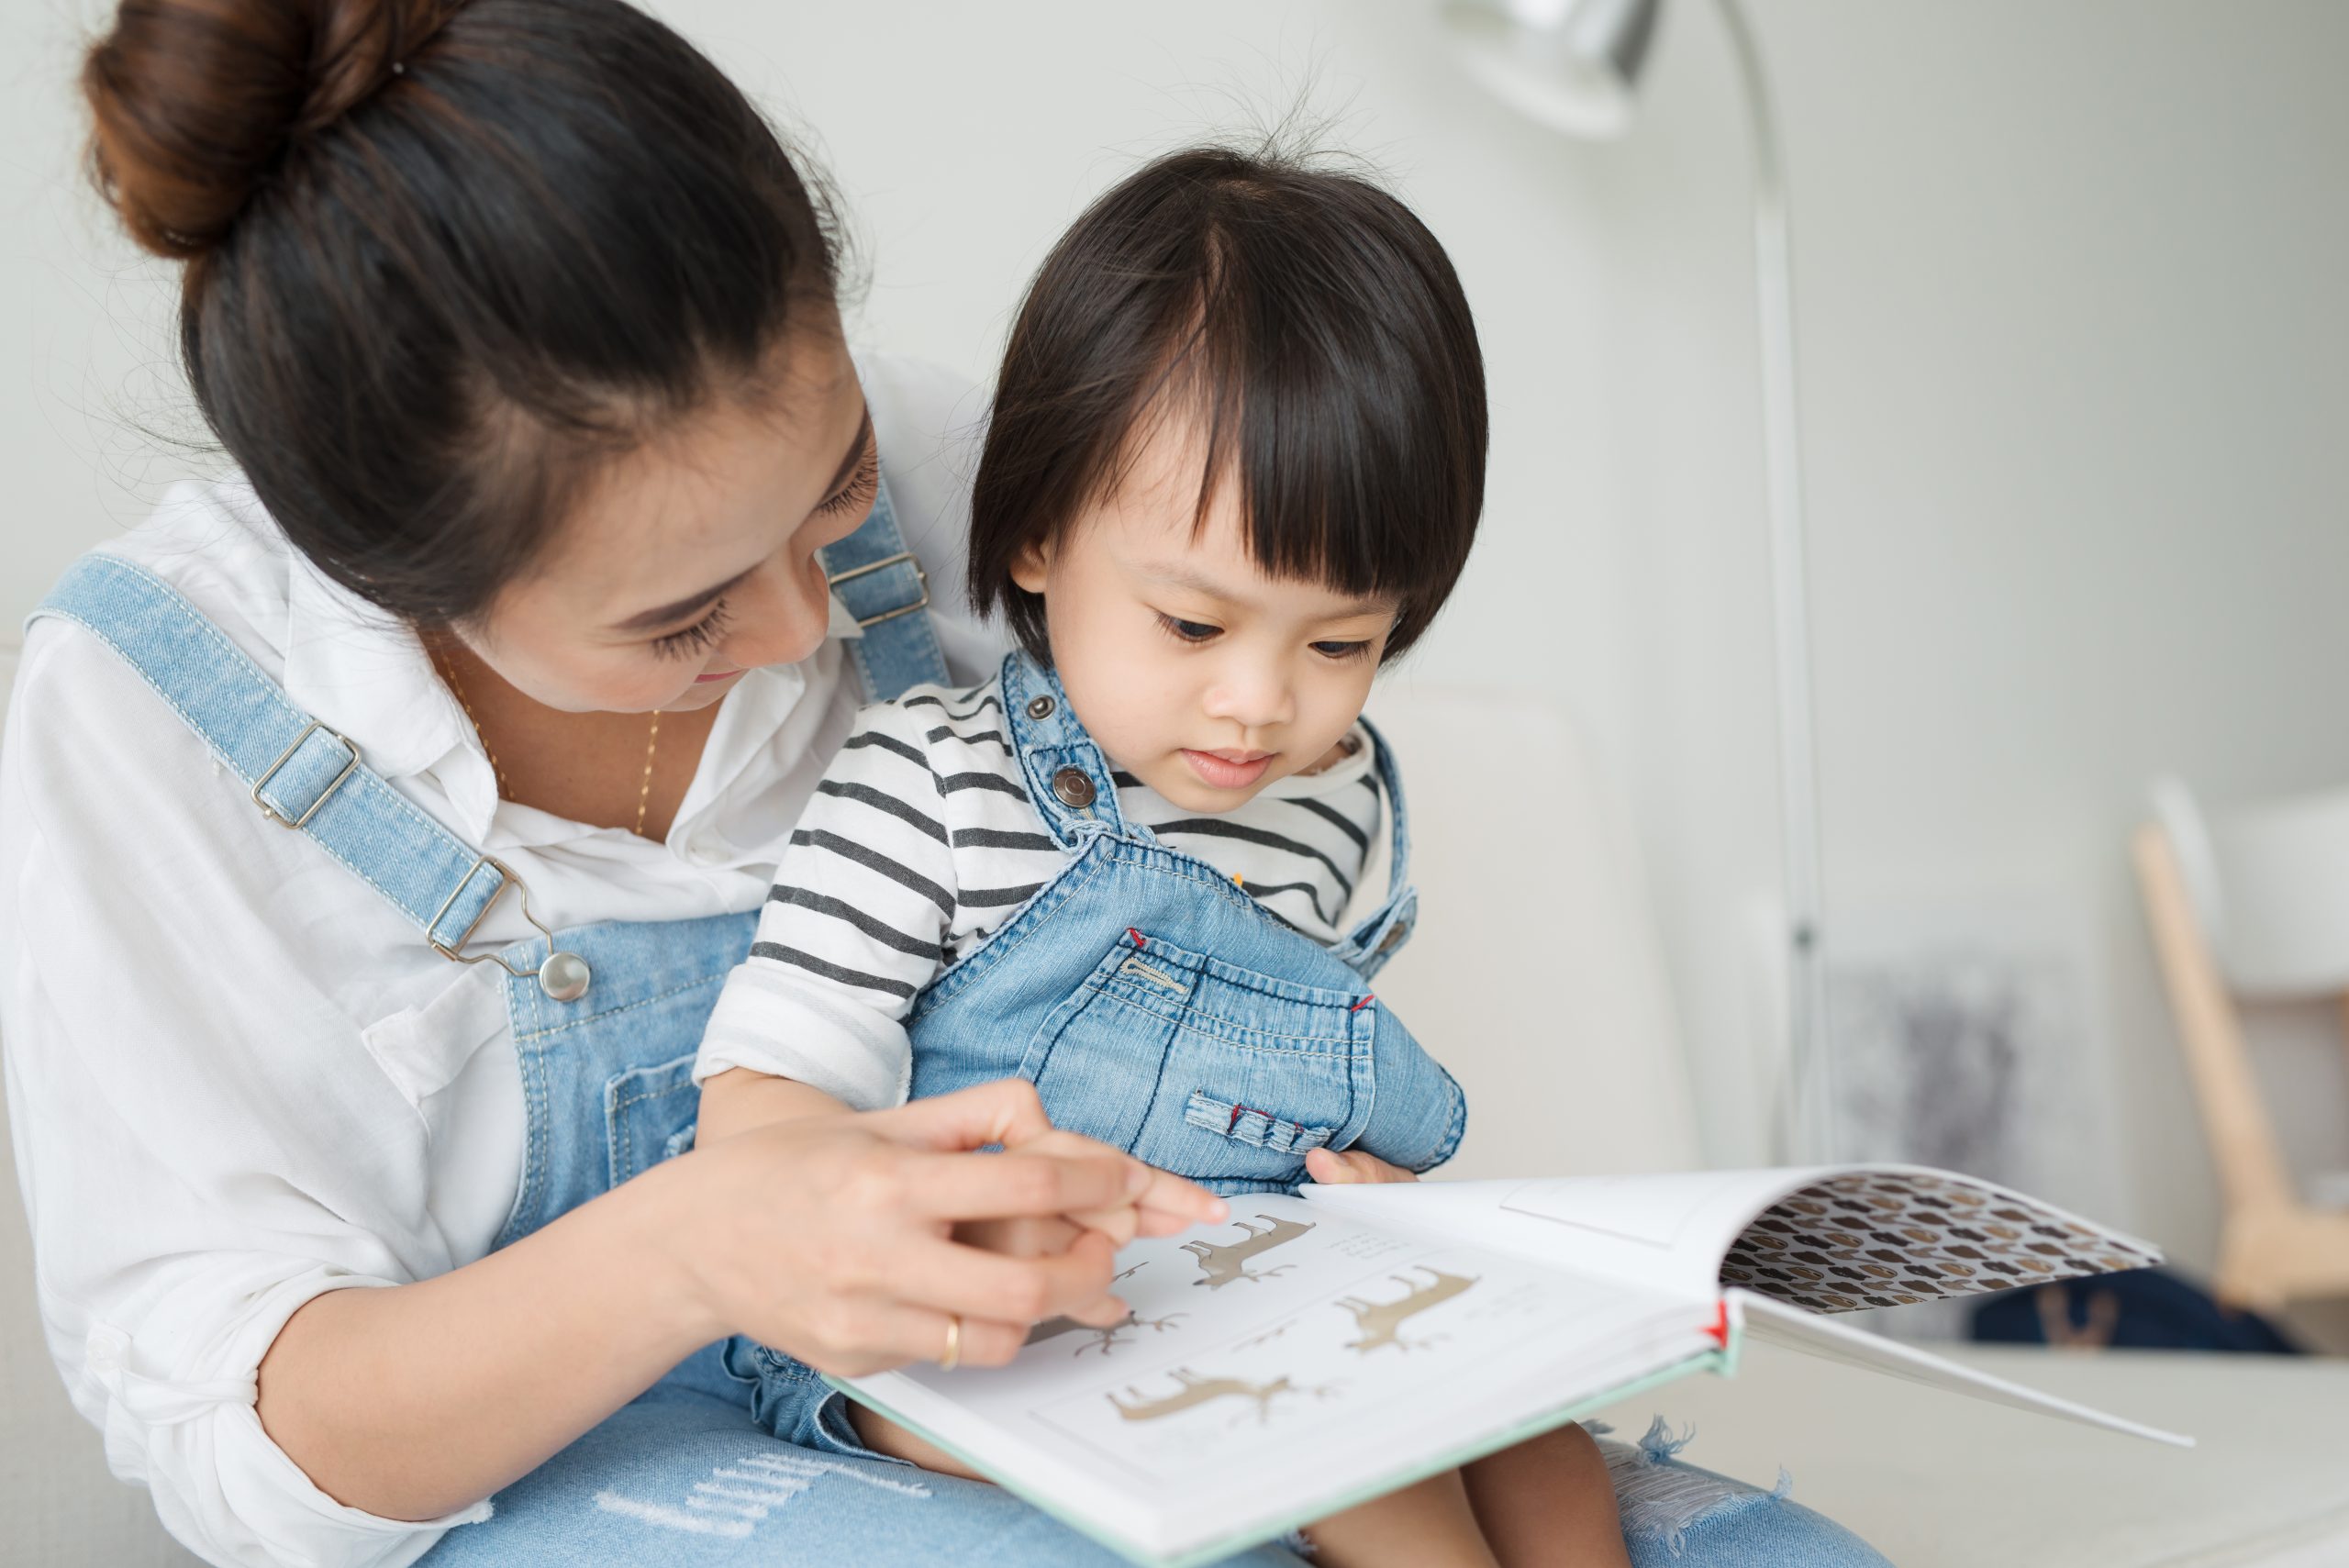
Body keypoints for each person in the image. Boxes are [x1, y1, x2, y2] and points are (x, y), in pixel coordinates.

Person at [0, 0, 1898, 1563]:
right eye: (677, 615)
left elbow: (1207, 830)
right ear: (396, 579)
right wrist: (705, 1237)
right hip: (609, 1461)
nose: (814, 601)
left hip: (1098, 1340)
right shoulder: (157, 714)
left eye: (827, 485)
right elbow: (243, 1437)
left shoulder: (964, 472)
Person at [693, 144, 1634, 1568]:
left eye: (1341, 643)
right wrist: (917, 1227)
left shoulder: (1333, 801)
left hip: (1248, 1283)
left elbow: (1298, 1101)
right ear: (1033, 537)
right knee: (1361, 1447)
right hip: (944, 1330)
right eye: (1194, 627)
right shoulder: (931, 779)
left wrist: (1383, 1203)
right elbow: (762, 1105)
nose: (1262, 702)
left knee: (1541, 1429)